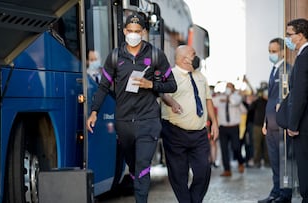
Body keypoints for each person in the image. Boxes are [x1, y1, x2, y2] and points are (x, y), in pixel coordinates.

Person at [86, 13, 177, 203]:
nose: (133, 35)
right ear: (125, 31)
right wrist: (94, 111)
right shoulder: (115, 56)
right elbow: (103, 86)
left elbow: (172, 85)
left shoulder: (155, 55)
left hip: (149, 120)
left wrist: (151, 85)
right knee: (134, 165)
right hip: (124, 122)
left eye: (138, 31)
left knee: (143, 164)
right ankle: (136, 178)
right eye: (130, 31)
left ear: (144, 32)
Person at [160, 45, 219, 203]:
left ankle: (194, 200)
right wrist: (171, 102)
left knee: (203, 171)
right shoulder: (169, 75)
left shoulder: (201, 76)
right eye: (194, 54)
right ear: (184, 58)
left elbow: (208, 100)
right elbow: (163, 94)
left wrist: (214, 123)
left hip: (199, 133)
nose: (197, 56)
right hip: (175, 132)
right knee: (179, 175)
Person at [258, 37, 293, 203]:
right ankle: (275, 191)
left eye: (274, 51)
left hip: (281, 125)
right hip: (270, 125)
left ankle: (285, 194)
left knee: (283, 161)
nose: (271, 54)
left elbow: (288, 97)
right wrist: (265, 122)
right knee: (274, 161)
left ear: (281, 51)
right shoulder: (273, 70)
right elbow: (271, 100)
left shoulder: (287, 69)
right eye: (269, 51)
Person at [283, 18, 308, 203]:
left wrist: (293, 124)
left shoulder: (303, 57)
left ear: (300, 36)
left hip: (304, 124)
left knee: (304, 166)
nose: (287, 38)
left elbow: (300, 93)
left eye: (289, 34)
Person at [213, 82, 246, 177]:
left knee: (236, 147)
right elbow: (213, 101)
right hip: (223, 127)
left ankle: (240, 162)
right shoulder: (221, 96)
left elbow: (235, 102)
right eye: (226, 87)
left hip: (234, 127)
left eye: (229, 87)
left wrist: (227, 98)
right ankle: (227, 170)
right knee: (224, 149)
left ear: (233, 88)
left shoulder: (236, 96)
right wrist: (222, 96)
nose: (227, 88)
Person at [250, 87, 269, 168]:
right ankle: (257, 161)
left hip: (267, 126)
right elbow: (250, 108)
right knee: (256, 145)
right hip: (257, 125)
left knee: (267, 145)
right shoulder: (257, 101)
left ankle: (267, 161)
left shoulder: (268, 101)